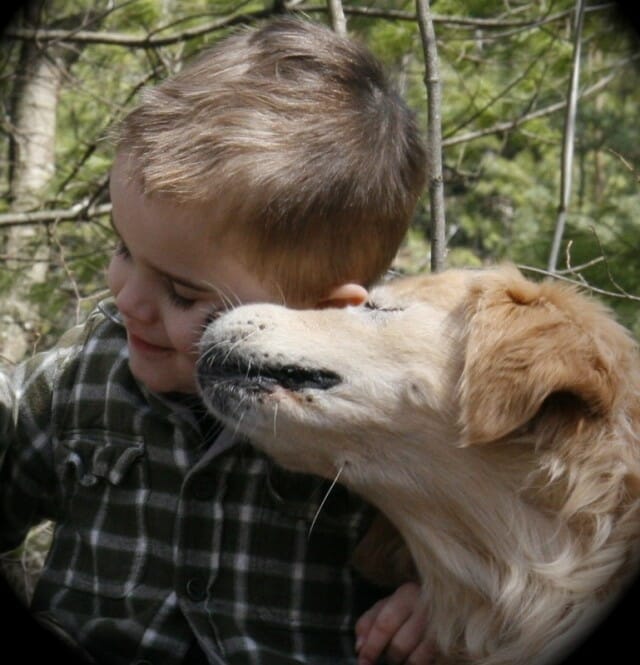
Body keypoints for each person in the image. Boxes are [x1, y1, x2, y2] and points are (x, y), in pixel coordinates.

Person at [0, 17, 431, 665]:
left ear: (322, 315)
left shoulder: (386, 435)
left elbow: (512, 546)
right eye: (124, 249)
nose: (126, 297)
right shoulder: (88, 378)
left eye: (182, 292)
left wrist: (444, 598)